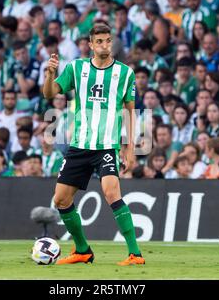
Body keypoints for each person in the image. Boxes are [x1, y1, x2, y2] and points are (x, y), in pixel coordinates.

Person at [42, 23, 144, 266]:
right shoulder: (77, 68)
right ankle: (82, 250)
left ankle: (135, 254)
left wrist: (129, 149)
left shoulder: (125, 73)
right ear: (90, 45)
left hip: (107, 146)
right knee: (61, 200)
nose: (104, 45)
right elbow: (49, 94)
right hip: (79, 145)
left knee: (111, 193)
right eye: (99, 41)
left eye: (108, 40)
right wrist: (49, 74)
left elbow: (130, 112)